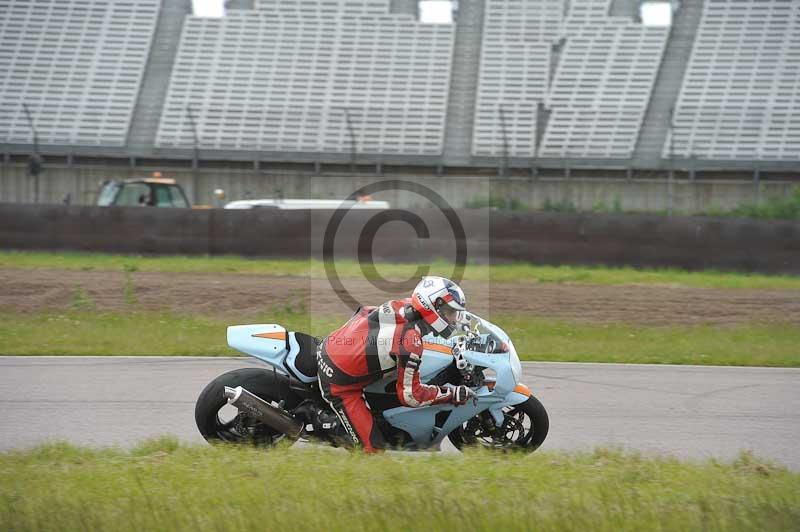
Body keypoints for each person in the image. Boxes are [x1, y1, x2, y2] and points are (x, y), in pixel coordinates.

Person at [317, 276, 475, 453]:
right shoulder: (410, 340)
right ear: (434, 307)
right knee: (373, 450)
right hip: (339, 380)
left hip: (341, 343)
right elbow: (411, 397)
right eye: (450, 312)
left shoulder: (409, 307)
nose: (453, 318)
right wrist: (451, 393)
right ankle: (332, 425)